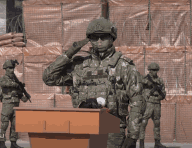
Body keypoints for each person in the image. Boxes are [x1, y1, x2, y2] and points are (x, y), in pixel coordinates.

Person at [43, 17, 145, 148]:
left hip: (112, 132)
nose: (99, 41)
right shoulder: (79, 66)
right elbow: (48, 78)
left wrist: (132, 135)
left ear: (112, 38)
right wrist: (69, 53)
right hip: (82, 129)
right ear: (89, 40)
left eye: (103, 37)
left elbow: (137, 101)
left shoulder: (123, 66)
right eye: (95, 38)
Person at [0, 59, 30, 148]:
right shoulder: (4, 79)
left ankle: (13, 143)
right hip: (7, 105)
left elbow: (20, 95)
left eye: (13, 68)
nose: (12, 70)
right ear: (6, 69)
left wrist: (26, 96)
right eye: (10, 68)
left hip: (16, 106)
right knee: (4, 125)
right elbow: (4, 84)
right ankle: (2, 143)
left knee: (15, 125)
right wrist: (16, 85)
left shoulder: (16, 82)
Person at [139, 63, 166, 148]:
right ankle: (141, 143)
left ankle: (157, 142)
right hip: (148, 103)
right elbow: (139, 82)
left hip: (157, 103)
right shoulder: (145, 79)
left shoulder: (160, 81)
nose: (154, 72)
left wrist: (159, 96)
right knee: (143, 123)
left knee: (157, 123)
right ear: (149, 70)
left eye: (155, 70)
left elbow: (163, 93)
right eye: (152, 70)